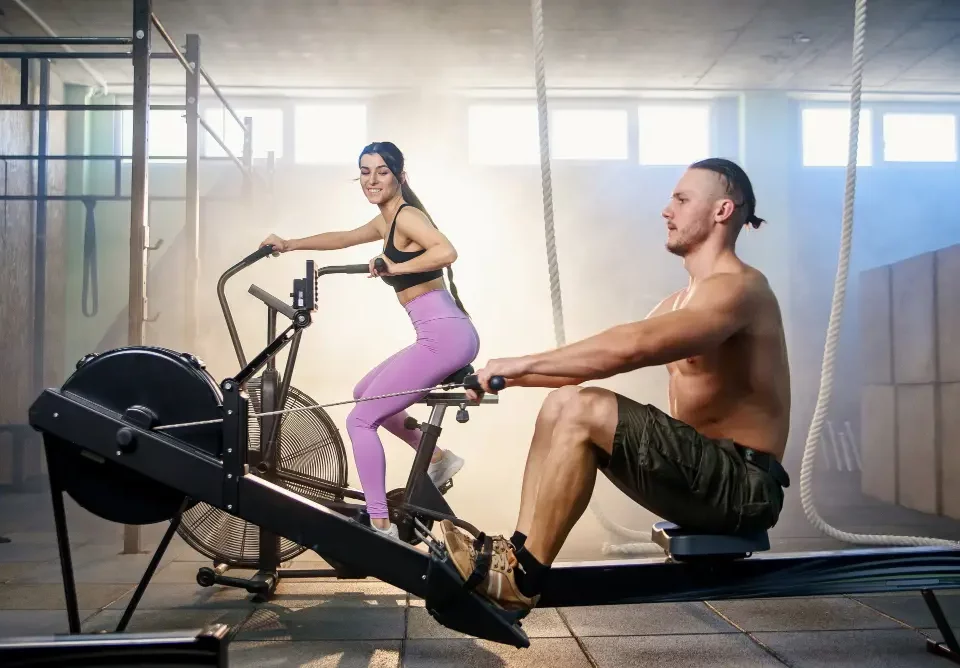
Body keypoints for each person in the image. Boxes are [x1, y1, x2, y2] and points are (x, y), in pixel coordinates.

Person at [441, 157, 791, 613]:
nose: (667, 210)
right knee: (562, 402)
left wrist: (520, 362)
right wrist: (493, 376)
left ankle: (523, 580)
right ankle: (515, 557)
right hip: (700, 479)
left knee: (586, 409)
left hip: (743, 488)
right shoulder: (680, 301)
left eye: (682, 200)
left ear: (723, 210)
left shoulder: (740, 289)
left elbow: (629, 347)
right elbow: (579, 370)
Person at [260, 141, 479, 539]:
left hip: (446, 336)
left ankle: (379, 524)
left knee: (360, 419)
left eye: (381, 171)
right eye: (365, 171)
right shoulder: (386, 221)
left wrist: (397, 265)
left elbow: (447, 251)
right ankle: (439, 459)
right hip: (438, 334)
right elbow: (343, 238)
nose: (372, 179)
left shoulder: (408, 216)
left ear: (400, 176)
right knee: (364, 392)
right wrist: (289, 244)